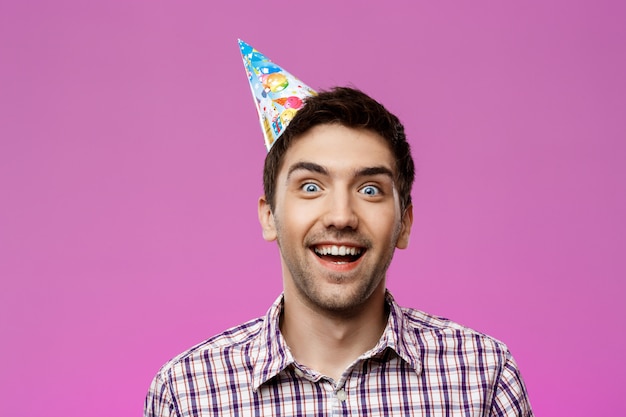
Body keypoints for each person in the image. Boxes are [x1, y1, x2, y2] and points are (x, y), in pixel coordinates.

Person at [144, 86, 533, 416]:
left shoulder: (483, 376)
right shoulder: (185, 394)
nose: (341, 216)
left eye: (370, 190)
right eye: (311, 186)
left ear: (404, 223)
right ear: (269, 216)